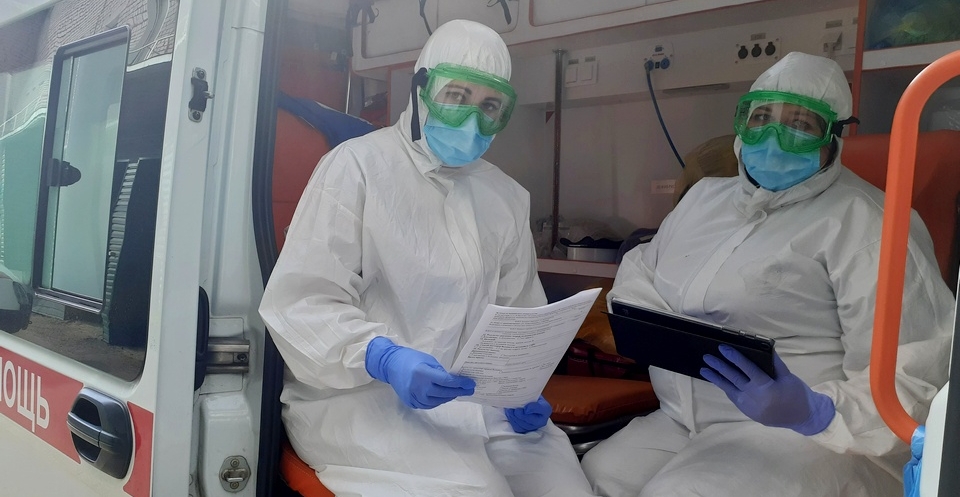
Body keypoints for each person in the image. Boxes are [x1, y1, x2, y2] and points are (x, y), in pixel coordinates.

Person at [580, 51, 954, 497]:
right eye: (761, 118)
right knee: (595, 475)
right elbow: (641, 270)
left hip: (814, 437)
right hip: (680, 419)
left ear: (833, 137)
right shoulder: (704, 199)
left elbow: (915, 367)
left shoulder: (870, 223)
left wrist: (816, 412)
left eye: (800, 123)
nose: (773, 137)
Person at [258, 19, 596, 497]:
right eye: (456, 96)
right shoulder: (356, 168)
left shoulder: (505, 196)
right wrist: (382, 357)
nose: (472, 119)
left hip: (480, 405)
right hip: (364, 400)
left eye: (490, 106)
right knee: (480, 492)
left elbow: (519, 312)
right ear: (421, 90)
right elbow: (301, 301)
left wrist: (521, 386)